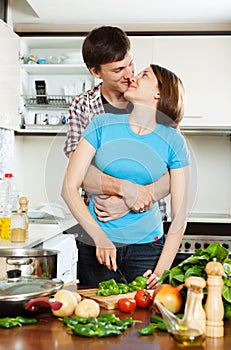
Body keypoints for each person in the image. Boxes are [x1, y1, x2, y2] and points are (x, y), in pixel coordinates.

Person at [62, 64, 191, 289]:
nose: (133, 77)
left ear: (158, 92)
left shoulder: (174, 141)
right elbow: (69, 188)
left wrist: (162, 270)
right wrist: (99, 238)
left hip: (146, 251)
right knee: (95, 317)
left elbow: (179, 216)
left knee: (143, 320)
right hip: (95, 247)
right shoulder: (101, 124)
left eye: (144, 75)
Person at [63, 26, 169, 223]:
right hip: (100, 223)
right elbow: (80, 172)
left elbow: (174, 171)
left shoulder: (152, 99)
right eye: (118, 70)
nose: (130, 75)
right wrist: (126, 190)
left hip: (148, 225)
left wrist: (133, 199)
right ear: (95, 72)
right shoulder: (83, 106)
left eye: (131, 64)